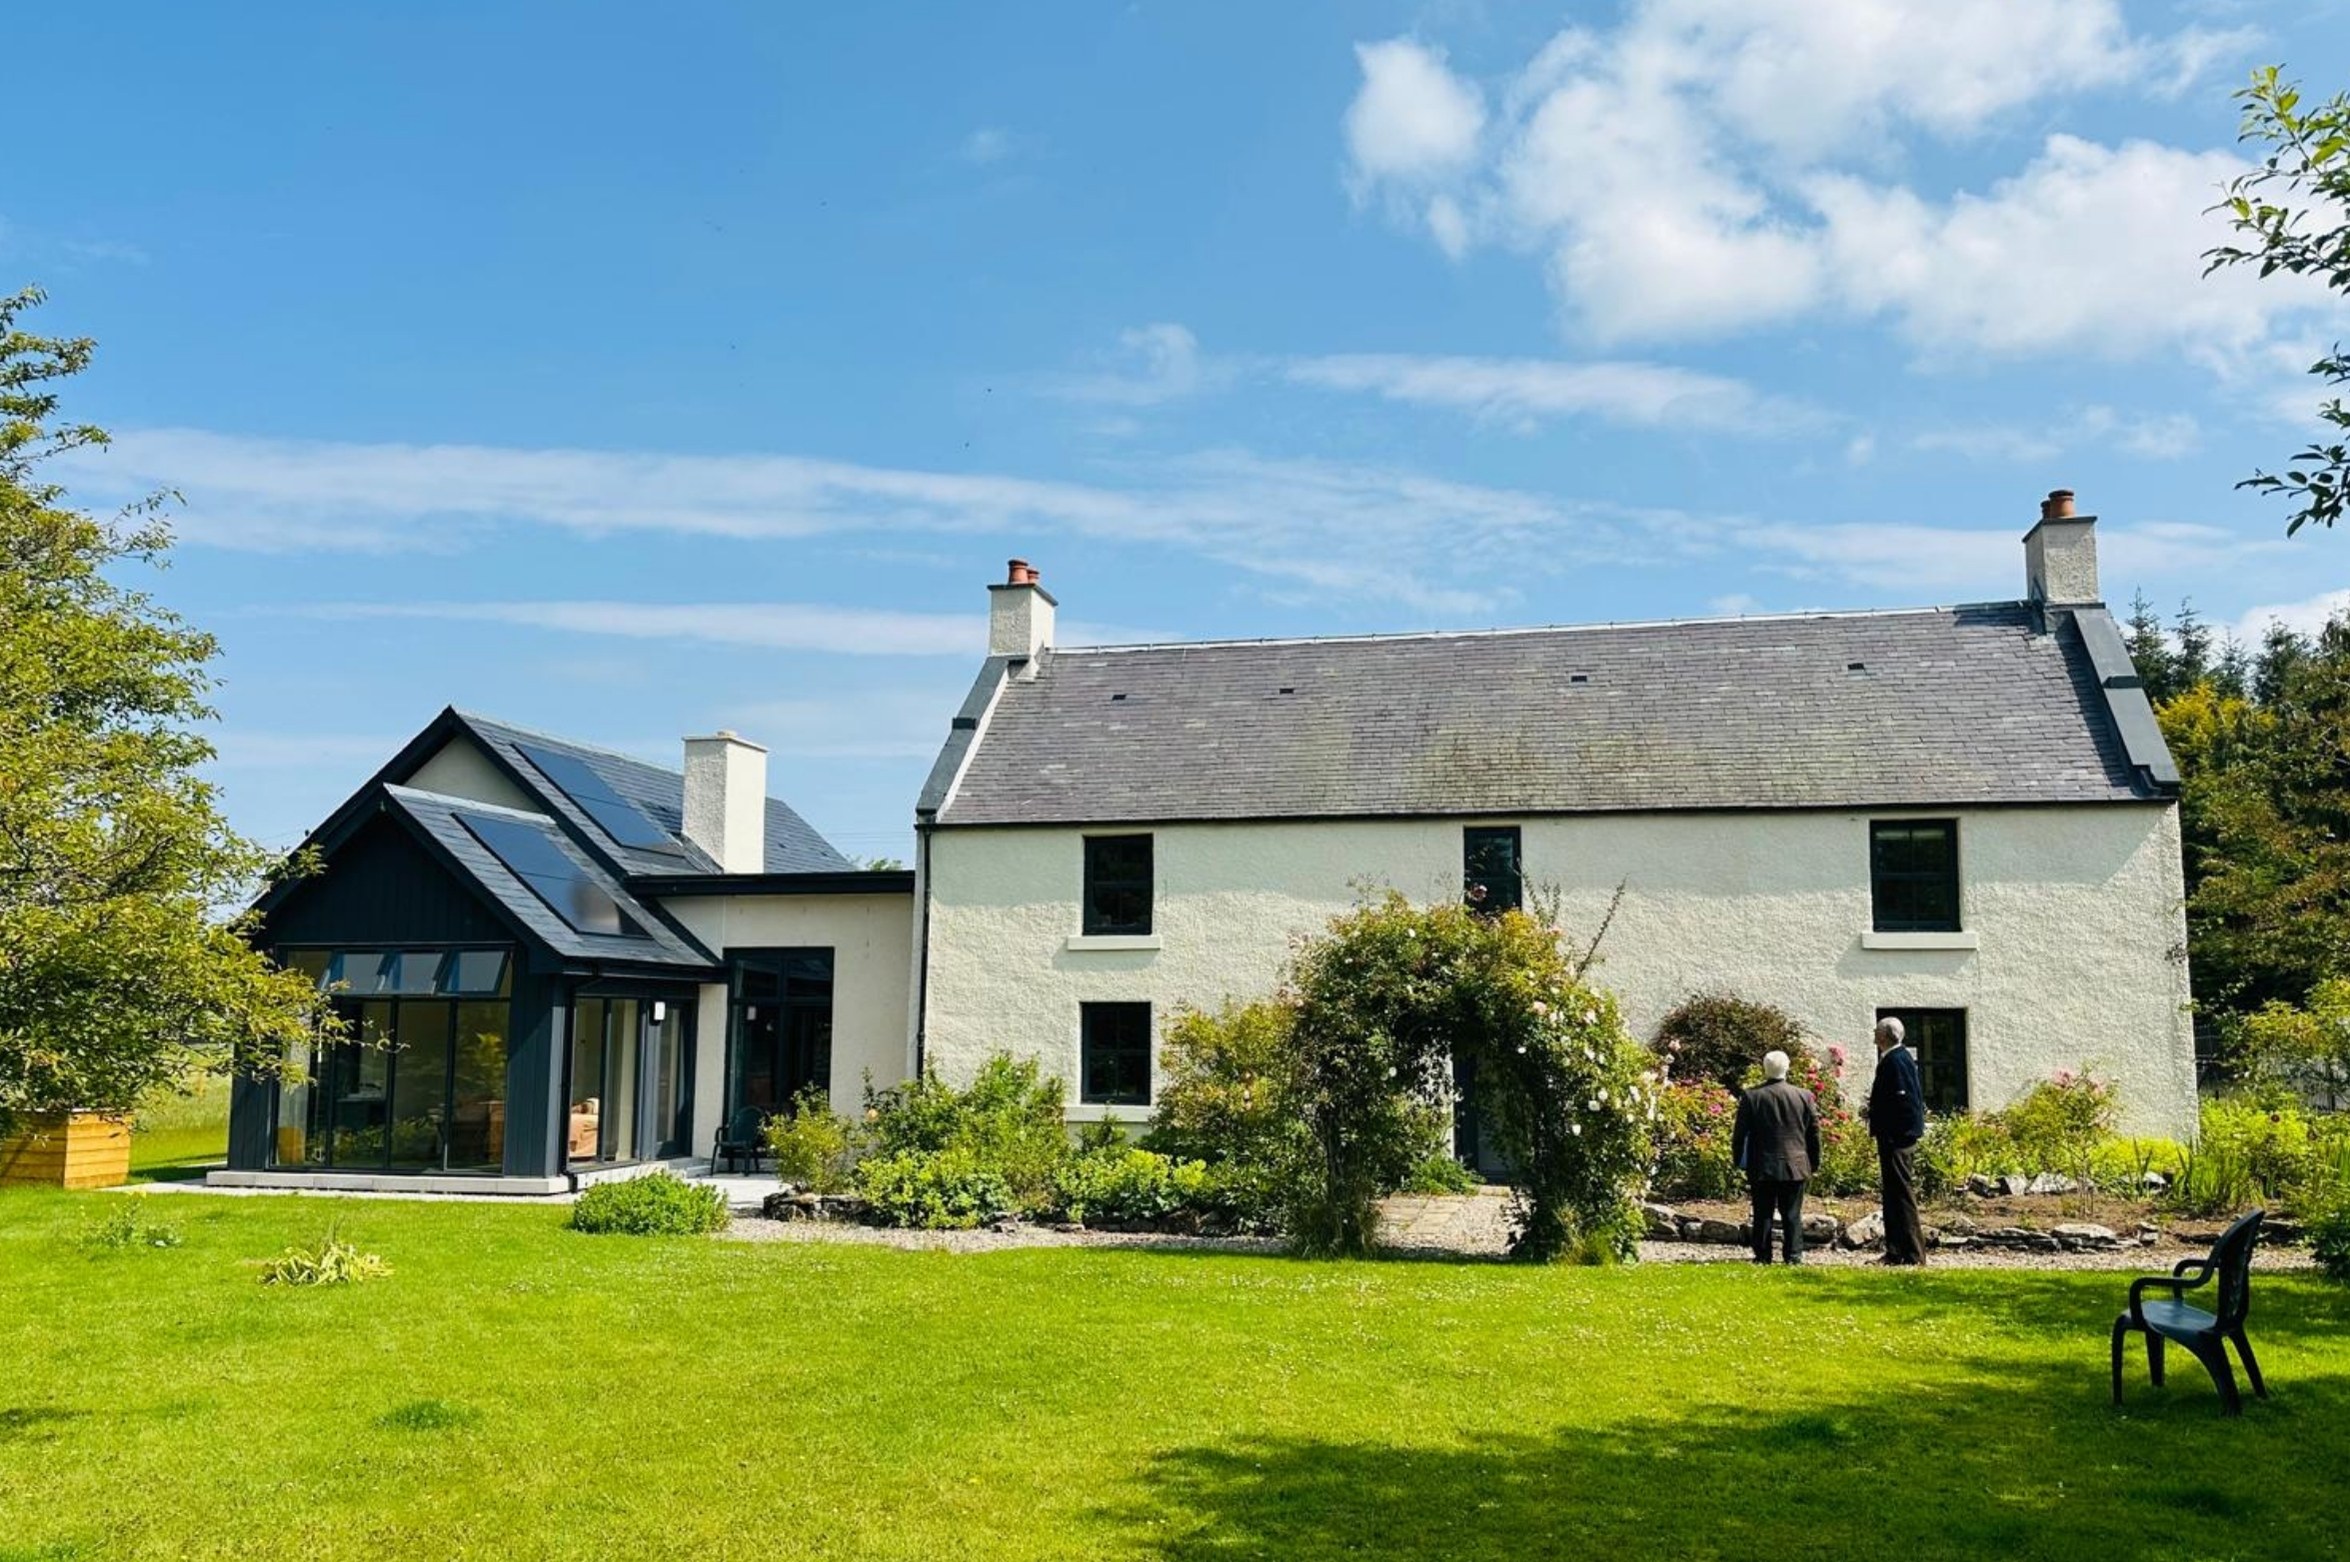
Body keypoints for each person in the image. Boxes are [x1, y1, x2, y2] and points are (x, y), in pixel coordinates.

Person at [1732, 1049, 1821, 1264]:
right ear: (1787, 1068)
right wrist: (1813, 1161)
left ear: (1765, 1068)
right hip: (1795, 1163)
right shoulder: (1804, 1096)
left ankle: (1762, 1255)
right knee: (1792, 1214)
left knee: (1763, 1213)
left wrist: (1737, 1160)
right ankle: (1793, 1255)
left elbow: (1740, 1133)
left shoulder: (1752, 1096)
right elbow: (1814, 1132)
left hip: (1762, 1163)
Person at [1867, 1016, 1929, 1265]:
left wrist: (1895, 1135)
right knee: (1893, 1194)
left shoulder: (1897, 1060)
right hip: (1893, 1137)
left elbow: (1905, 1101)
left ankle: (1914, 1253)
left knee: (1902, 1195)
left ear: (1884, 1036)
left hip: (1898, 1140)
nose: (1874, 1034)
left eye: (1876, 1031)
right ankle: (1895, 1251)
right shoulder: (1894, 1059)